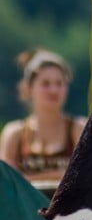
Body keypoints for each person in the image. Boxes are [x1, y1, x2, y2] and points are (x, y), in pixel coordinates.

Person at [0, 49, 85, 188]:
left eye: (59, 83)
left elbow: (84, 176)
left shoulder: (78, 129)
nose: (54, 90)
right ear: (28, 88)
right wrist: (58, 175)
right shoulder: (15, 134)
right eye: (45, 84)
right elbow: (8, 183)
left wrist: (31, 178)